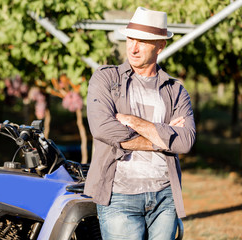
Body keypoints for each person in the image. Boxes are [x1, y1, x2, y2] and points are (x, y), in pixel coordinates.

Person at [84, 7, 196, 240]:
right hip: (119, 195)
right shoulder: (106, 78)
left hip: (164, 195)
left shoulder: (175, 90)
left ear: (160, 46)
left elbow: (185, 142)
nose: (133, 48)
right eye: (130, 39)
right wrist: (163, 140)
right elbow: (103, 129)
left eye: (143, 41)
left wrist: (134, 122)